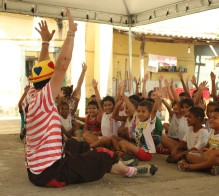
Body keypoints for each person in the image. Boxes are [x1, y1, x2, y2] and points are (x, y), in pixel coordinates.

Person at [22, 9, 157, 188]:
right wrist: (71, 33)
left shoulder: (31, 96)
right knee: (103, 154)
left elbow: (42, 67)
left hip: (35, 170)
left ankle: (116, 164)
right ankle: (129, 171)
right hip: (51, 172)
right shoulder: (44, 99)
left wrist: (45, 42)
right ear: (49, 84)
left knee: (75, 144)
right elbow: (62, 63)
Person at [177, 108, 219, 176]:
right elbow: (208, 145)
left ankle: (191, 167)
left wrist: (213, 152)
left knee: (214, 158)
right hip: (211, 158)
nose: (211, 120)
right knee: (190, 155)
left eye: (215, 118)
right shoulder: (212, 131)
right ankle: (212, 168)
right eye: (211, 118)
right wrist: (202, 152)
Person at [118, 89, 165, 161]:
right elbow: (131, 107)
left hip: (146, 154)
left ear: (149, 113)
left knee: (124, 143)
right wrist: (123, 96)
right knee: (121, 142)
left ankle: (126, 156)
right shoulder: (138, 122)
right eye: (139, 111)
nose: (140, 113)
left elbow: (154, 110)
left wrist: (158, 98)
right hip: (139, 149)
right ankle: (129, 156)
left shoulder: (149, 122)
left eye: (143, 111)